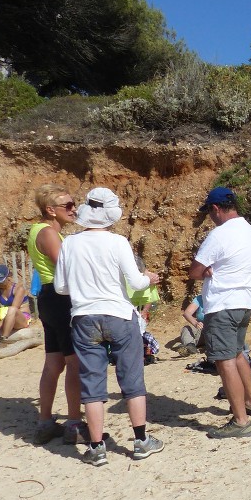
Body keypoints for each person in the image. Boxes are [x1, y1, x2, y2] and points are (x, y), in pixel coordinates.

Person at [54, 188, 165, 465]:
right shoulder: (118, 242)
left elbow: (61, 287)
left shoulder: (70, 243)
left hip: (84, 317)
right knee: (132, 380)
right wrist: (148, 278)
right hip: (118, 314)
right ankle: (141, 441)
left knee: (92, 384)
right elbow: (136, 282)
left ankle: (96, 447)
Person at [188, 186, 251, 438]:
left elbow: (195, 271)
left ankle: (241, 421)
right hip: (245, 301)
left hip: (223, 303)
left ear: (216, 209)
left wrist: (207, 270)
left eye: (209, 212)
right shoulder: (250, 230)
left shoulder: (219, 235)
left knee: (224, 360)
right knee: (238, 353)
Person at [27, 184, 85, 445]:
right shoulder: (49, 233)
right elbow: (65, 266)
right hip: (61, 299)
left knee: (54, 363)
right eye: (68, 206)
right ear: (50, 210)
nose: (73, 210)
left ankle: (45, 422)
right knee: (74, 362)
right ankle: (74, 423)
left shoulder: (39, 230)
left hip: (49, 299)